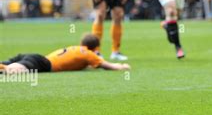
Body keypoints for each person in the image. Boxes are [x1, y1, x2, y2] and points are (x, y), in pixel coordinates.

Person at [0, 34, 130, 74]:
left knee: (6, 63)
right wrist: (121, 66)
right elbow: (106, 65)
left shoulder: (77, 49)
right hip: (44, 63)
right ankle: (5, 69)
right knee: (12, 71)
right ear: (96, 47)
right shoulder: (89, 54)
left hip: (38, 57)